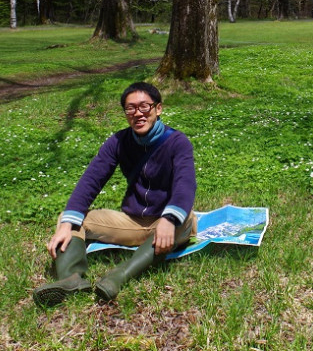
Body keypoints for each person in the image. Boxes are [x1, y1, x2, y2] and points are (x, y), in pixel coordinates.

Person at [33, 82, 198, 307]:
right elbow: (91, 180)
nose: (138, 113)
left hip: (170, 226)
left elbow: (185, 185)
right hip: (133, 222)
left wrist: (169, 220)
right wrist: (66, 224)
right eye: (130, 108)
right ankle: (71, 279)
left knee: (185, 216)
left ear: (158, 109)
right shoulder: (118, 142)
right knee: (69, 219)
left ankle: (118, 277)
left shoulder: (178, 142)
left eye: (144, 107)